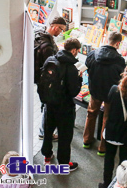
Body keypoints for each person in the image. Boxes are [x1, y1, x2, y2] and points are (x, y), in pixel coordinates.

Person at [41, 38, 82, 172]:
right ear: (74, 50)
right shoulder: (71, 68)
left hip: (49, 104)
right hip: (64, 107)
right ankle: (64, 164)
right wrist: (79, 79)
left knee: (48, 130)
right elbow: (73, 91)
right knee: (65, 136)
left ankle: (47, 156)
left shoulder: (50, 60)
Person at [83, 31, 126, 155]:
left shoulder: (93, 54)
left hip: (95, 90)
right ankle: (102, 147)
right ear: (118, 43)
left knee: (91, 114)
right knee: (107, 119)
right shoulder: (119, 60)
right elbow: (121, 76)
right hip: (110, 95)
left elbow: (87, 66)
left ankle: (86, 140)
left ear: (107, 39)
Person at [35, 16, 67, 139]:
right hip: (45, 80)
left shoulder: (40, 34)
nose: (61, 32)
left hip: (40, 78)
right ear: (54, 26)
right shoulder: (47, 46)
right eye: (60, 29)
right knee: (47, 105)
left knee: (45, 104)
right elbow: (50, 65)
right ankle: (43, 132)